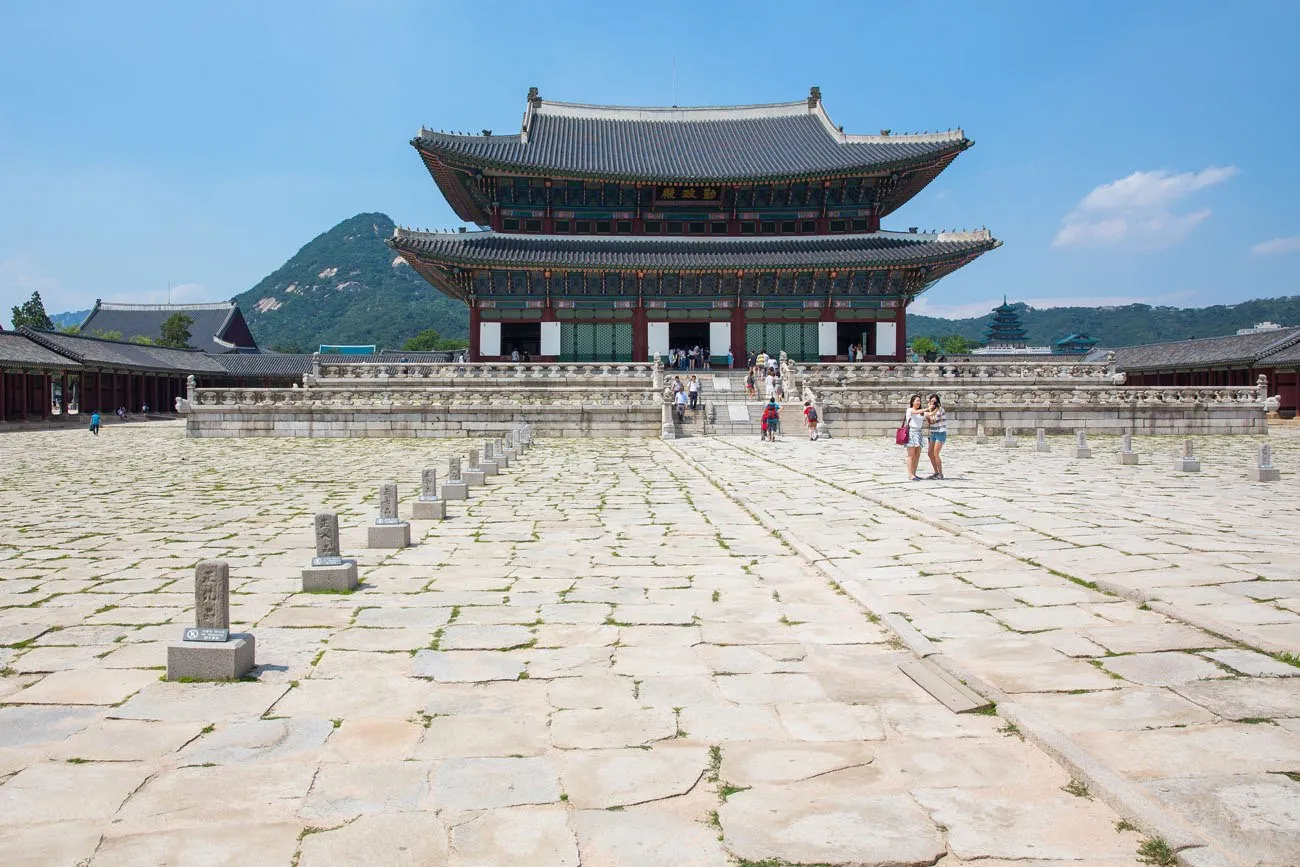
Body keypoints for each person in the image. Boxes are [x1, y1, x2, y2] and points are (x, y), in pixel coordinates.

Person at [925, 393, 946, 479]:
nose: (932, 403)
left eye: (934, 401)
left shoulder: (940, 410)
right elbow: (929, 421)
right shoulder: (932, 410)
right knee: (930, 453)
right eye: (931, 401)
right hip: (933, 432)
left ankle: (940, 473)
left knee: (935, 453)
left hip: (940, 432)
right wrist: (928, 411)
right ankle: (936, 472)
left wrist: (929, 411)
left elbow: (933, 420)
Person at [904, 394, 926, 480]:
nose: (918, 402)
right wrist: (927, 409)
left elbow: (929, 414)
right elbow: (916, 412)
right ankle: (910, 474)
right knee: (911, 455)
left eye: (919, 401)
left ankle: (914, 473)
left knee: (917, 455)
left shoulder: (921, 413)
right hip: (912, 433)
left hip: (919, 433)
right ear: (912, 402)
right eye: (917, 400)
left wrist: (935, 408)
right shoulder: (909, 410)